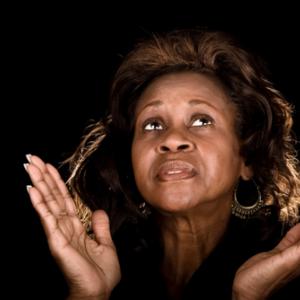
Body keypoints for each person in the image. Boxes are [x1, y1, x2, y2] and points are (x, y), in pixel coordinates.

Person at [24, 28, 300, 300]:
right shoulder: (89, 263)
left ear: (247, 159)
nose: (173, 139)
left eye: (202, 120)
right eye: (153, 124)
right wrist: (88, 294)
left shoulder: (285, 266)